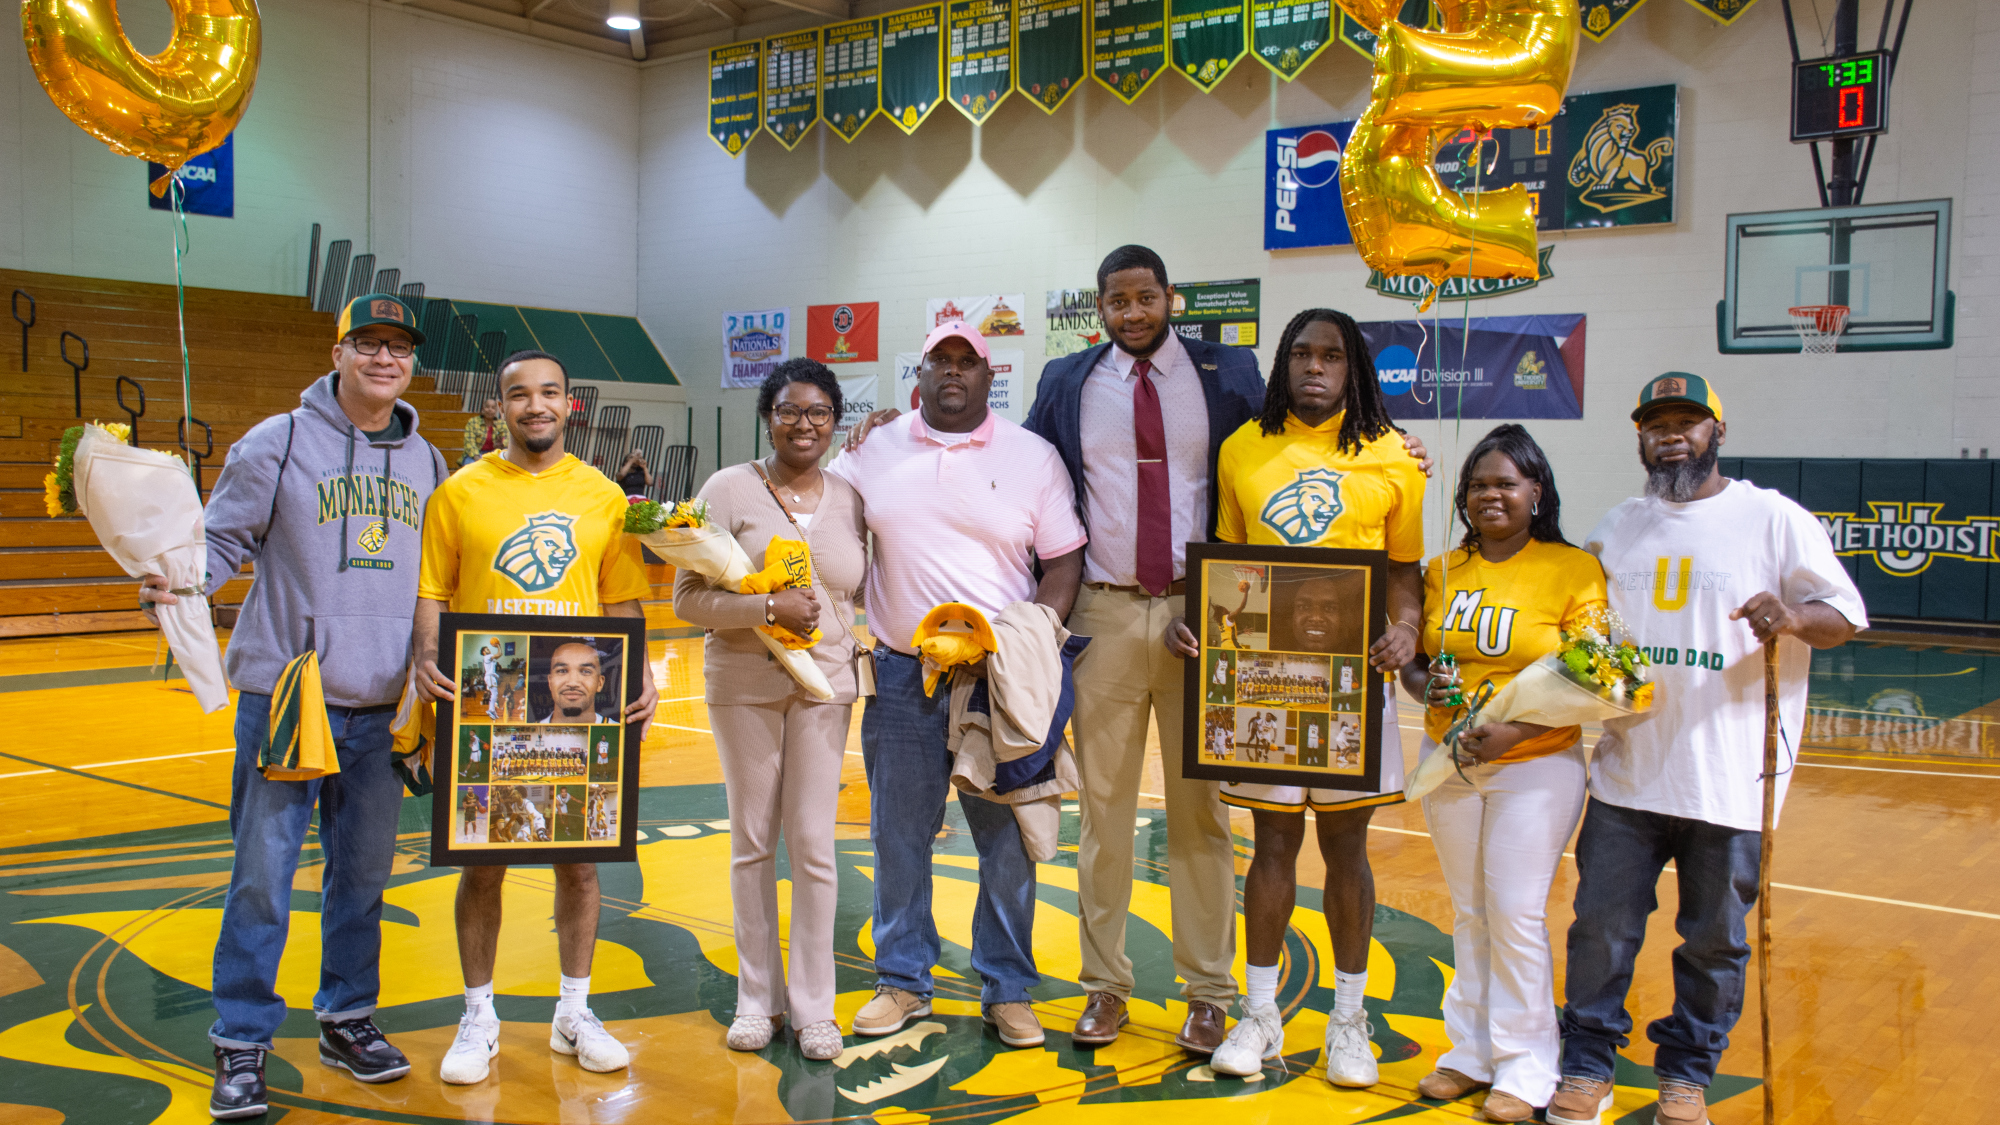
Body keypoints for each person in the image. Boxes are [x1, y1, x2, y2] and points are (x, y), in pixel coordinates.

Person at [138, 293, 448, 1118]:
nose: (384, 358)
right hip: (287, 695)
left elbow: (437, 578)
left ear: (411, 363)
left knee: (365, 879)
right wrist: (183, 582)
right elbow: (223, 541)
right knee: (262, 879)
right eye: (367, 342)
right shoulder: (276, 441)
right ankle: (241, 1039)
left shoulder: (429, 461)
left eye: (398, 347)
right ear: (337, 352)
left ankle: (348, 1017)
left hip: (382, 708)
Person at [1548, 375, 1866, 1125]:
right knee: (1599, 932)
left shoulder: (1772, 518)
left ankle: (1686, 1077)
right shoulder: (1617, 527)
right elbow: (1586, 637)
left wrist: (1793, 616)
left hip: (1730, 780)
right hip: (1627, 774)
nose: (1671, 435)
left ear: (1718, 431)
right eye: (1656, 423)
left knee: (1714, 944)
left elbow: (1844, 615)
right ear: (1639, 437)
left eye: (1687, 421)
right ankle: (1587, 1065)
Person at [1172, 307, 1424, 1088]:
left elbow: (1404, 570)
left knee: (1347, 850)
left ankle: (1348, 1020)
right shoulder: (1243, 447)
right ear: (1282, 363)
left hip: (1353, 678)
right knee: (1272, 844)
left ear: (1354, 369)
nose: (1315, 367)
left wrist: (1408, 628)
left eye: (1332, 356)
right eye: (1302, 354)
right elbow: (1229, 564)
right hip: (1265, 676)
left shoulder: (1395, 453)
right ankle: (1259, 1014)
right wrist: (1203, 625)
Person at [828, 320, 1085, 1050]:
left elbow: (1064, 561)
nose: (952, 370)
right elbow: (825, 523)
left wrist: (1032, 637)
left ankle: (1007, 987)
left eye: (966, 360)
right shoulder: (873, 449)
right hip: (903, 674)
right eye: (938, 359)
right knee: (898, 836)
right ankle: (903, 979)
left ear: (988, 375)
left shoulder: (1032, 456)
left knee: (1006, 842)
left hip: (999, 678)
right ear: (918, 373)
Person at [413, 348, 660, 1085]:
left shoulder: (604, 496)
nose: (535, 405)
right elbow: (432, 590)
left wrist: (642, 671)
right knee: (482, 861)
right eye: (519, 394)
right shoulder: (458, 491)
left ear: (568, 404)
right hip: (489, 691)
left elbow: (620, 598)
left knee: (579, 861)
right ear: (500, 408)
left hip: (573, 693)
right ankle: (478, 1016)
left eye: (549, 392)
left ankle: (573, 1012)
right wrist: (425, 655)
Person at [1389, 425, 1608, 1121]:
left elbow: (1599, 676)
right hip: (1450, 759)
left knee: (1514, 912)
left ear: (1536, 491)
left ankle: (1527, 1065)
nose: (1491, 495)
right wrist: (1428, 688)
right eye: (1478, 484)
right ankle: (1471, 1052)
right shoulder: (1443, 569)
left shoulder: (1574, 569)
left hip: (1535, 764)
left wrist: (1514, 731)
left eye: (1506, 483)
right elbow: (1417, 667)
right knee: (1470, 912)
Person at [672, 357, 868, 1062]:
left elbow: (857, 593)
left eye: (818, 412)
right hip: (743, 685)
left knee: (814, 847)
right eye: (789, 410)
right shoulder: (727, 489)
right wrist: (765, 608)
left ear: (835, 421)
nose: (804, 424)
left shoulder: (852, 497)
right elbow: (687, 599)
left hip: (825, 688)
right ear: (768, 417)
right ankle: (757, 999)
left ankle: (815, 1006)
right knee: (752, 842)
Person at [533, 638, 615, 723]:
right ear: (550, 682)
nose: (572, 683)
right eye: (562, 671)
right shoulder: (530, 730)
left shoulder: (618, 729)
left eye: (585, 671)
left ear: (600, 683)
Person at [463, 397, 508, 467]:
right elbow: (469, 443)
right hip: (475, 455)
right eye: (487, 407)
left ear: (496, 410)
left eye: (493, 408)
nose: (490, 409)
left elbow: (507, 440)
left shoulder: (502, 424)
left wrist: (501, 444)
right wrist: (477, 458)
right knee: (471, 467)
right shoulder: (473, 422)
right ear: (483, 408)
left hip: (494, 455)